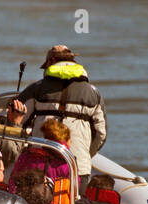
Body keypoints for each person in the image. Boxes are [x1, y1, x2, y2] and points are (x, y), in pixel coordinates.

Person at [11, 45, 107, 189]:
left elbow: (16, 121)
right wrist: (85, 155)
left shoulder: (37, 89)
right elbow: (101, 135)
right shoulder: (94, 93)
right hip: (78, 167)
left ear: (52, 61)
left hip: (41, 167)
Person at [7, 119, 72, 193]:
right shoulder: (68, 163)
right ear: (67, 139)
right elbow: (72, 191)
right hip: (51, 203)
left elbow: (13, 182)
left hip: (23, 201)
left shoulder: (28, 156)